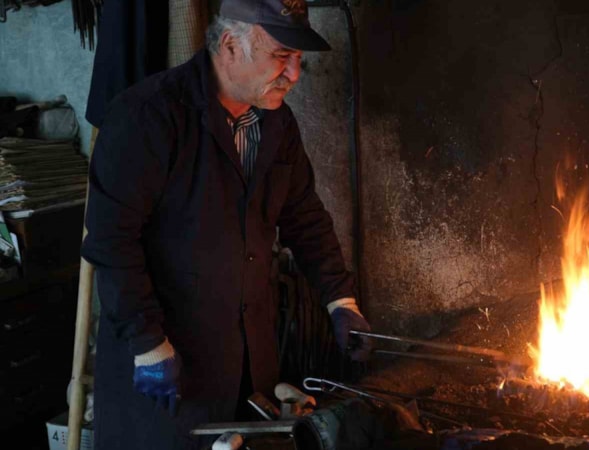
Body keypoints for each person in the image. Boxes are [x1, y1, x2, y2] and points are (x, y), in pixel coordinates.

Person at [81, 1, 372, 448]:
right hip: (165, 377)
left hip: (249, 372)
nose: (295, 73)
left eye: (298, 59)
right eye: (281, 56)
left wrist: (340, 299)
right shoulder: (148, 117)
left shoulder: (276, 122)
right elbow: (111, 242)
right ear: (231, 45)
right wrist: (147, 342)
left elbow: (304, 216)